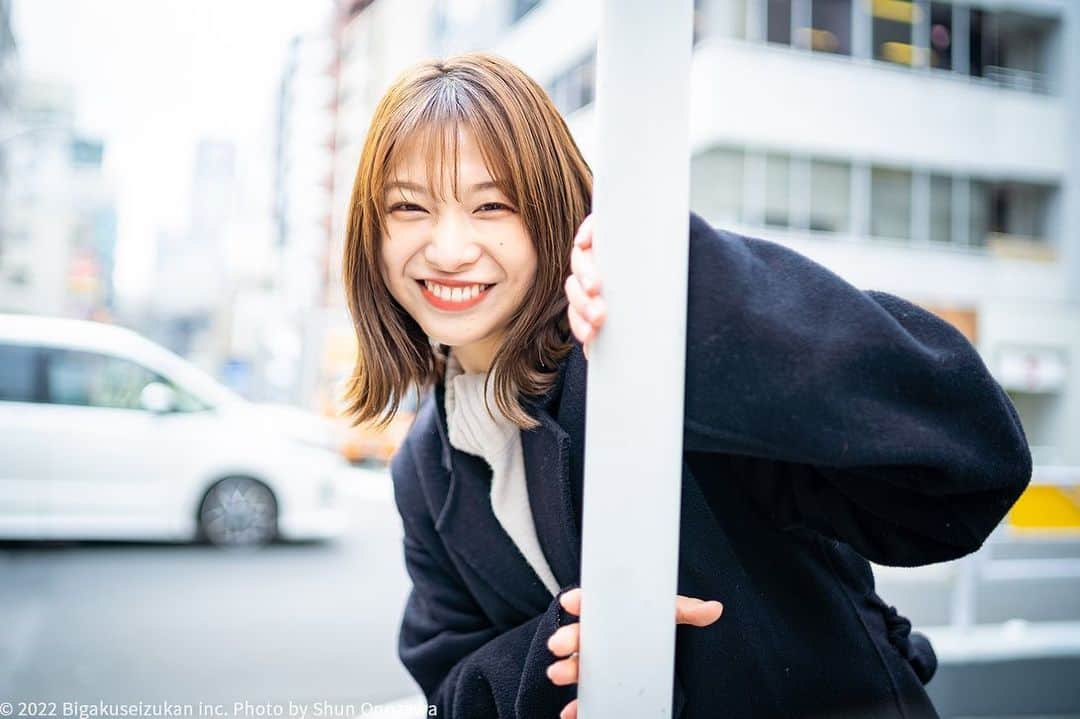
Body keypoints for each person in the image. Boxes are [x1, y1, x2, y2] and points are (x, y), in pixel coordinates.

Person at [340, 52, 1032, 719]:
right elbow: (448, 685)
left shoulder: (653, 351)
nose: (450, 248)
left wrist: (688, 287)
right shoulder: (424, 466)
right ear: (371, 234)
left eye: (491, 206)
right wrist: (555, 656)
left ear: (553, 211)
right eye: (409, 209)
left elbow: (968, 459)